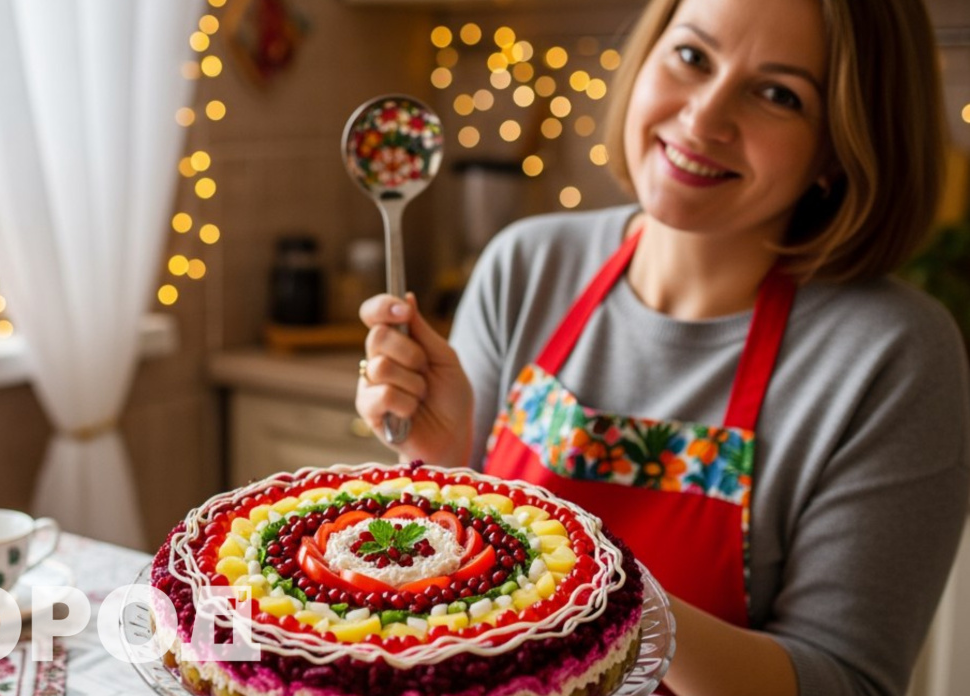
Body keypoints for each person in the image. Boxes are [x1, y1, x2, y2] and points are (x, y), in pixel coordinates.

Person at [354, 0, 970, 693]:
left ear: (841, 146)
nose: (703, 119)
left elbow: (847, 681)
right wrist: (441, 466)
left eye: (778, 94)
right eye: (692, 57)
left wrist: (596, 589)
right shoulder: (525, 265)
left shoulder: (891, 355)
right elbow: (447, 615)